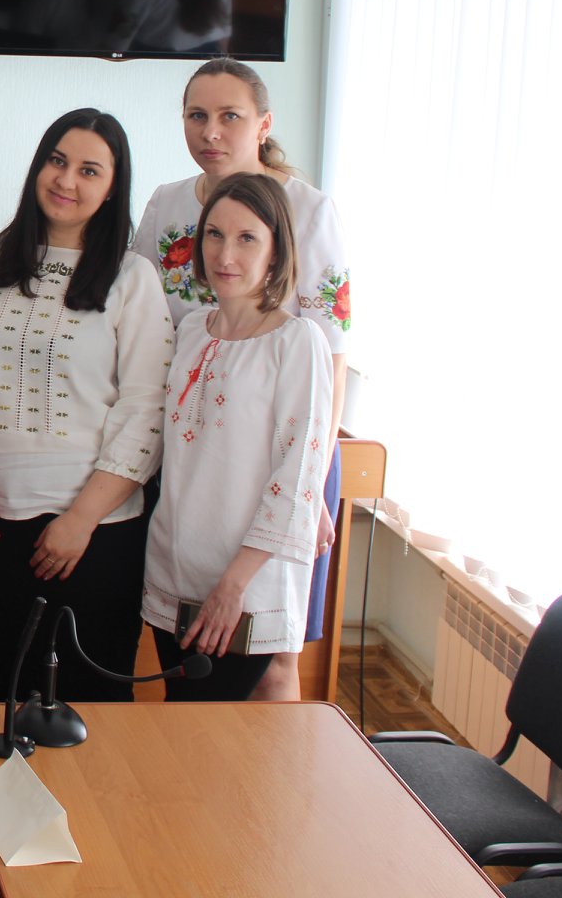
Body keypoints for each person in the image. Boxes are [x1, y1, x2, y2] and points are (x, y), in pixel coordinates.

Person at [132, 57, 352, 700]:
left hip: (286, 438)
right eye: (196, 115)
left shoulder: (307, 211)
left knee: (273, 658)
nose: (211, 131)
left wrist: (311, 491)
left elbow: (331, 353)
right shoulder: (168, 204)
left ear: (263, 124)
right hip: (197, 432)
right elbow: (140, 313)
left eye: (230, 116)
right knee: (193, 661)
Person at [0, 109, 173, 704]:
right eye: (57, 160)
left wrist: (80, 520)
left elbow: (146, 411)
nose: (67, 180)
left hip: (93, 535)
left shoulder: (132, 277)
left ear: (112, 187)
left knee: (92, 711)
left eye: (89, 170)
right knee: (5, 702)